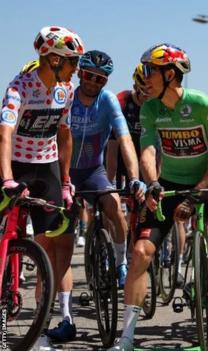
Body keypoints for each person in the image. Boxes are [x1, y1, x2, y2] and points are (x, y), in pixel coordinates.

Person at [109, 43, 208, 351]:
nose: (145, 78)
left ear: (170, 74)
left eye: (150, 71)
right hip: (168, 181)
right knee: (140, 252)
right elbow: (149, 150)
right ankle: (126, 336)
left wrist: (195, 196)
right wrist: (152, 183)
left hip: (205, 179)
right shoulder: (150, 107)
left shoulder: (202, 104)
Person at [1, 26, 84, 350]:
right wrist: (7, 178)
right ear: (52, 59)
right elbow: (4, 135)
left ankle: (42, 327)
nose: (76, 68)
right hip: (15, 165)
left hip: (46, 166)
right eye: (72, 61)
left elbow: (64, 135)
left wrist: (65, 181)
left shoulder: (66, 89)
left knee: (55, 241)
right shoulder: (19, 87)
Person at [68, 51, 145, 301]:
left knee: (114, 206)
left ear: (106, 82)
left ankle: (121, 263)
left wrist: (133, 178)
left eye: (99, 79)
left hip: (93, 171)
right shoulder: (67, 96)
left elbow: (124, 139)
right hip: (64, 171)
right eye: (89, 75)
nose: (92, 82)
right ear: (80, 73)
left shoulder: (108, 101)